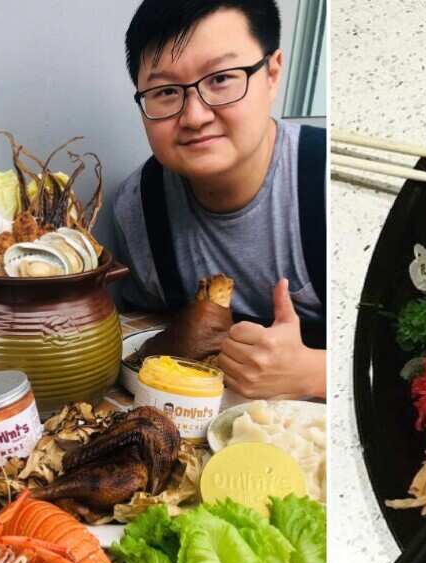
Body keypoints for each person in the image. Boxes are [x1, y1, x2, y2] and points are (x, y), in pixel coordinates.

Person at [108, 0, 326, 399]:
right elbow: (145, 330)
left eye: (221, 79)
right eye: (166, 91)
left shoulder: (325, 183)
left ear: (272, 74)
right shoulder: (138, 207)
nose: (194, 116)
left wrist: (314, 373)